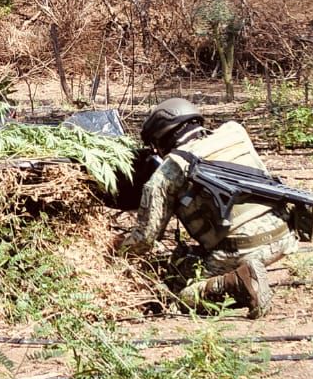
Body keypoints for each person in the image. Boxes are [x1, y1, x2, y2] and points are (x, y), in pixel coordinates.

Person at [122, 98, 298, 318]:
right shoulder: (235, 133)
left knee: (178, 297)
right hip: (284, 233)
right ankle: (245, 270)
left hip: (242, 246)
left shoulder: (170, 171)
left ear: (162, 138)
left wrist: (116, 254)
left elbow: (145, 239)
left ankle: (239, 283)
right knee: (185, 262)